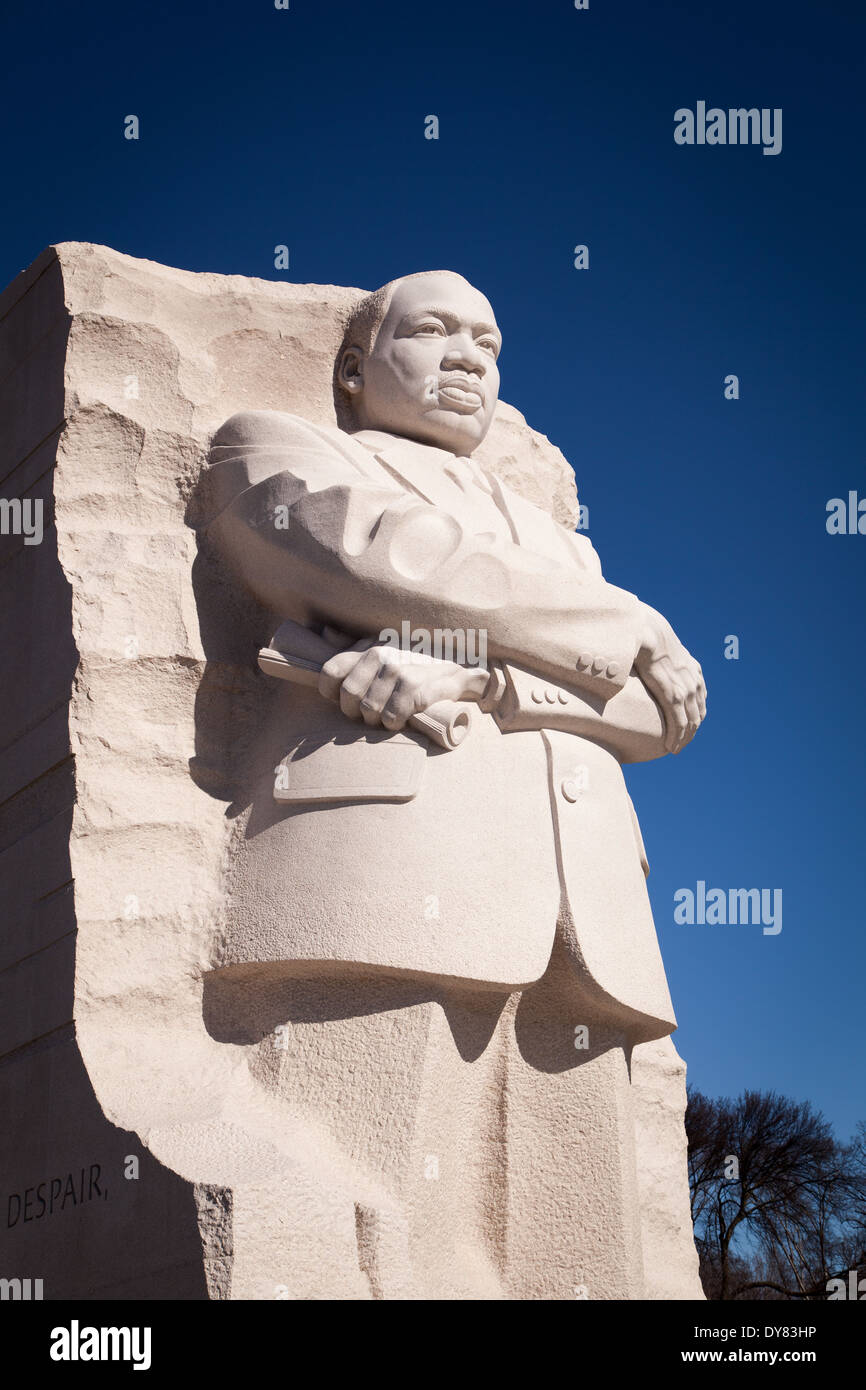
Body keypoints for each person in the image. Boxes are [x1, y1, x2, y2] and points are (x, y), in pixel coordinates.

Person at [201, 270, 707, 1299]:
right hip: (383, 881)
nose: (470, 356)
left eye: (489, 340)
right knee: (364, 1234)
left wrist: (479, 673)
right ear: (351, 372)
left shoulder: (566, 550)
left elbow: (660, 716)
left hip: (582, 915)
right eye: (434, 330)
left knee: (584, 1260)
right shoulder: (278, 448)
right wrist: (628, 626)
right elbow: (372, 556)